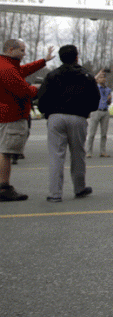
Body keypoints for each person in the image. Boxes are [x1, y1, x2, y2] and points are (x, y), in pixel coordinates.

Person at [37, 44, 99, 202]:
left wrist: (47, 113)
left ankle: (55, 193)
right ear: (76, 57)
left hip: (56, 116)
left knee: (56, 156)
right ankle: (79, 187)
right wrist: (86, 111)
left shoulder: (52, 75)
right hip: (78, 117)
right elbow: (95, 99)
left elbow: (42, 97)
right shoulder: (86, 76)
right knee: (78, 154)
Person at [0, 39, 52, 202]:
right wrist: (36, 88)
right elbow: (24, 91)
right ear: (10, 49)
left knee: (5, 151)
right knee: (6, 152)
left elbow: (23, 70)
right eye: (22, 50)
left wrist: (44, 61)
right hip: (12, 116)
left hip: (7, 114)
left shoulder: (7, 65)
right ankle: (4, 187)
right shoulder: (7, 69)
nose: (24, 54)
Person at [86, 70, 113, 158]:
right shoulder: (95, 87)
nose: (103, 79)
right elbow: (91, 81)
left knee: (104, 134)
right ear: (97, 80)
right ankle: (88, 151)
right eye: (101, 77)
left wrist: (109, 99)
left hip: (105, 111)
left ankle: (103, 151)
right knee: (92, 133)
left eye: (104, 77)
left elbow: (109, 102)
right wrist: (98, 74)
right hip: (96, 111)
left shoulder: (108, 89)